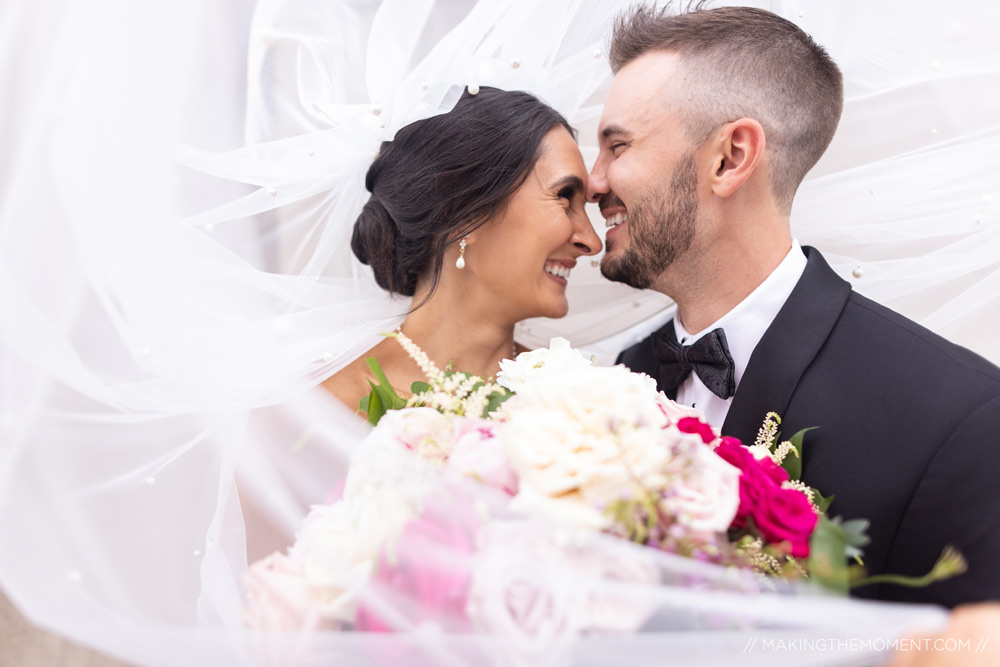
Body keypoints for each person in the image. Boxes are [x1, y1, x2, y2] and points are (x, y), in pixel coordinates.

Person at [589, 4, 1000, 607]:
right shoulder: (616, 381)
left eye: (616, 146)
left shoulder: (959, 415)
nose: (594, 181)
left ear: (730, 158)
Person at [322, 87, 601, 409]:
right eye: (564, 196)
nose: (591, 242)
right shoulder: (323, 407)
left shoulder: (583, 402)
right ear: (464, 214)